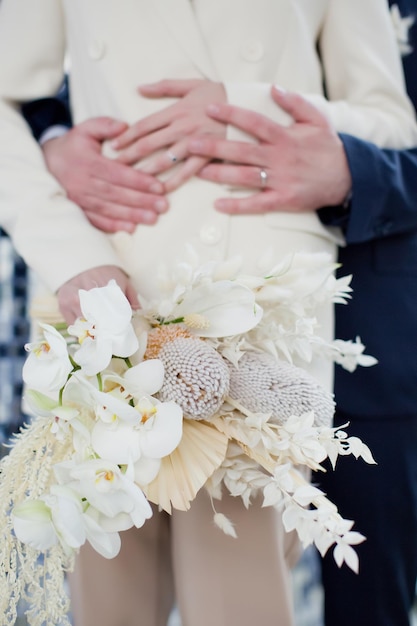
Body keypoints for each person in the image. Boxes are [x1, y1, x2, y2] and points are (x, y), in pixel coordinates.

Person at [0, 2, 416, 625]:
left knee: (241, 590)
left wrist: (247, 107)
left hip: (264, 303)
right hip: (109, 290)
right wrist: (70, 255)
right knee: (111, 593)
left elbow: (392, 121)